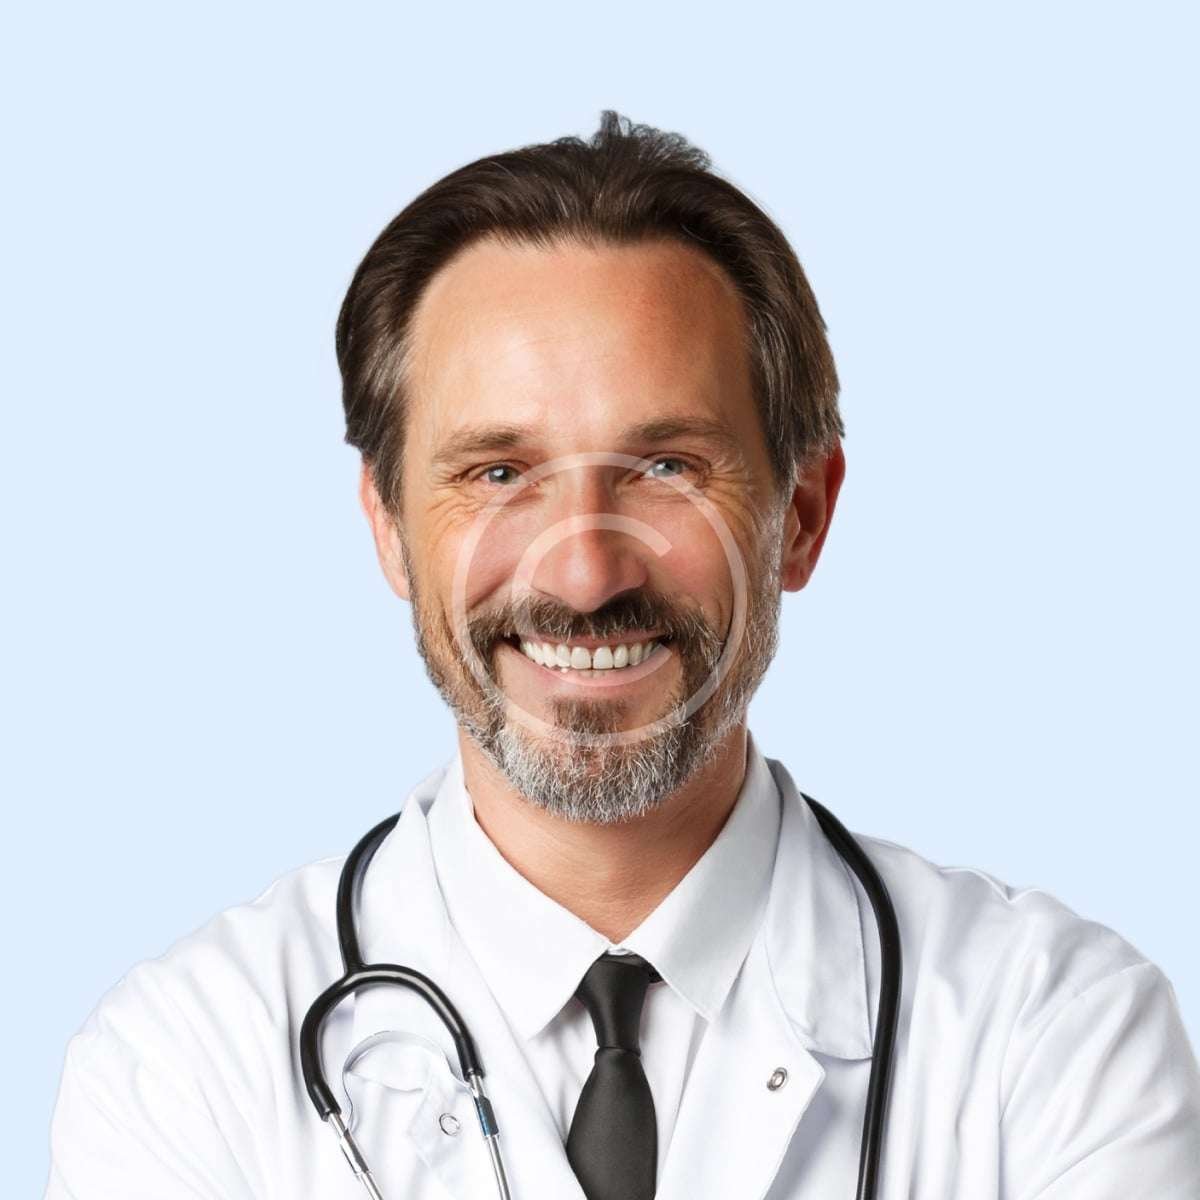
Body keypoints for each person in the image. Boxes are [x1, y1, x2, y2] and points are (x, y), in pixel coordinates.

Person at [46, 110, 1200, 1199]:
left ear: (802, 515)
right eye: (500, 473)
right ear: (389, 528)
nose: (586, 574)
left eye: (667, 469)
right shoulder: (182, 1070)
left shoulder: (1054, 1036)